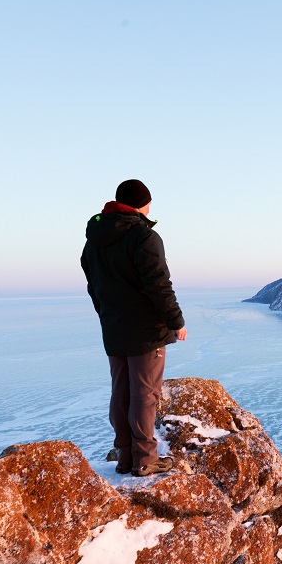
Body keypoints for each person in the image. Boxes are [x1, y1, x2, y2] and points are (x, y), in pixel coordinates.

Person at [81, 179, 186, 477]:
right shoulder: (143, 237)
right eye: (149, 202)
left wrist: (108, 315)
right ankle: (145, 460)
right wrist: (176, 322)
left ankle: (125, 457)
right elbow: (159, 285)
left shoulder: (94, 240)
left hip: (114, 327)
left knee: (121, 392)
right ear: (141, 204)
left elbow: (95, 288)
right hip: (146, 330)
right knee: (145, 394)